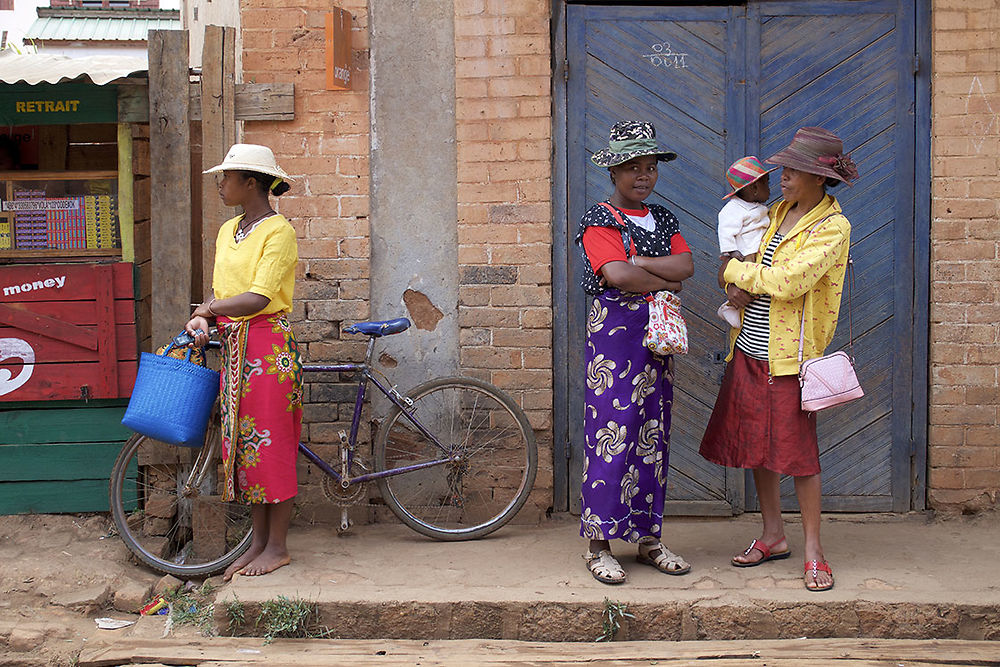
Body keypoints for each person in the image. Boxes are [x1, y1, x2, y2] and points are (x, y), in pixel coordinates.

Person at [699, 127, 859, 592]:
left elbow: (788, 282)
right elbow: (756, 261)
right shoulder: (777, 212)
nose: (782, 177)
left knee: (800, 457)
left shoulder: (833, 227)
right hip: (748, 348)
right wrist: (743, 273)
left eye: (791, 171)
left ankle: (814, 551)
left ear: (816, 178)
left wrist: (731, 270)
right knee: (757, 448)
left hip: (789, 359)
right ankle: (773, 535)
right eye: (785, 170)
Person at [575, 120, 695, 584]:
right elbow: (616, 276)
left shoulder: (663, 219)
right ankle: (598, 544)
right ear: (614, 171)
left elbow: (686, 266)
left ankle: (649, 539)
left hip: (657, 339)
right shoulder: (599, 218)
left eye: (650, 167)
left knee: (652, 433)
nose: (643, 176)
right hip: (614, 341)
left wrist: (643, 265)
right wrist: (663, 280)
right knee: (611, 432)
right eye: (632, 167)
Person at [185, 144, 302, 581]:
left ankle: (278, 547)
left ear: (250, 182)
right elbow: (222, 294)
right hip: (236, 347)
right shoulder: (227, 231)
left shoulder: (279, 231)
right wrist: (205, 313)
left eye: (226, 177)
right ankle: (256, 543)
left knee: (273, 446)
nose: (220, 184)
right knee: (247, 446)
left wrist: (208, 310)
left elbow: (258, 298)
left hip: (269, 350)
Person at [716, 156, 776, 328]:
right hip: (746, 252)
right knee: (745, 282)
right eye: (766, 183)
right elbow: (726, 230)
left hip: (758, 249)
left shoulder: (760, 207)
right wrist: (730, 251)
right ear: (755, 188)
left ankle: (734, 309)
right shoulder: (733, 208)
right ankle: (729, 308)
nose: (769, 189)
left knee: (751, 284)